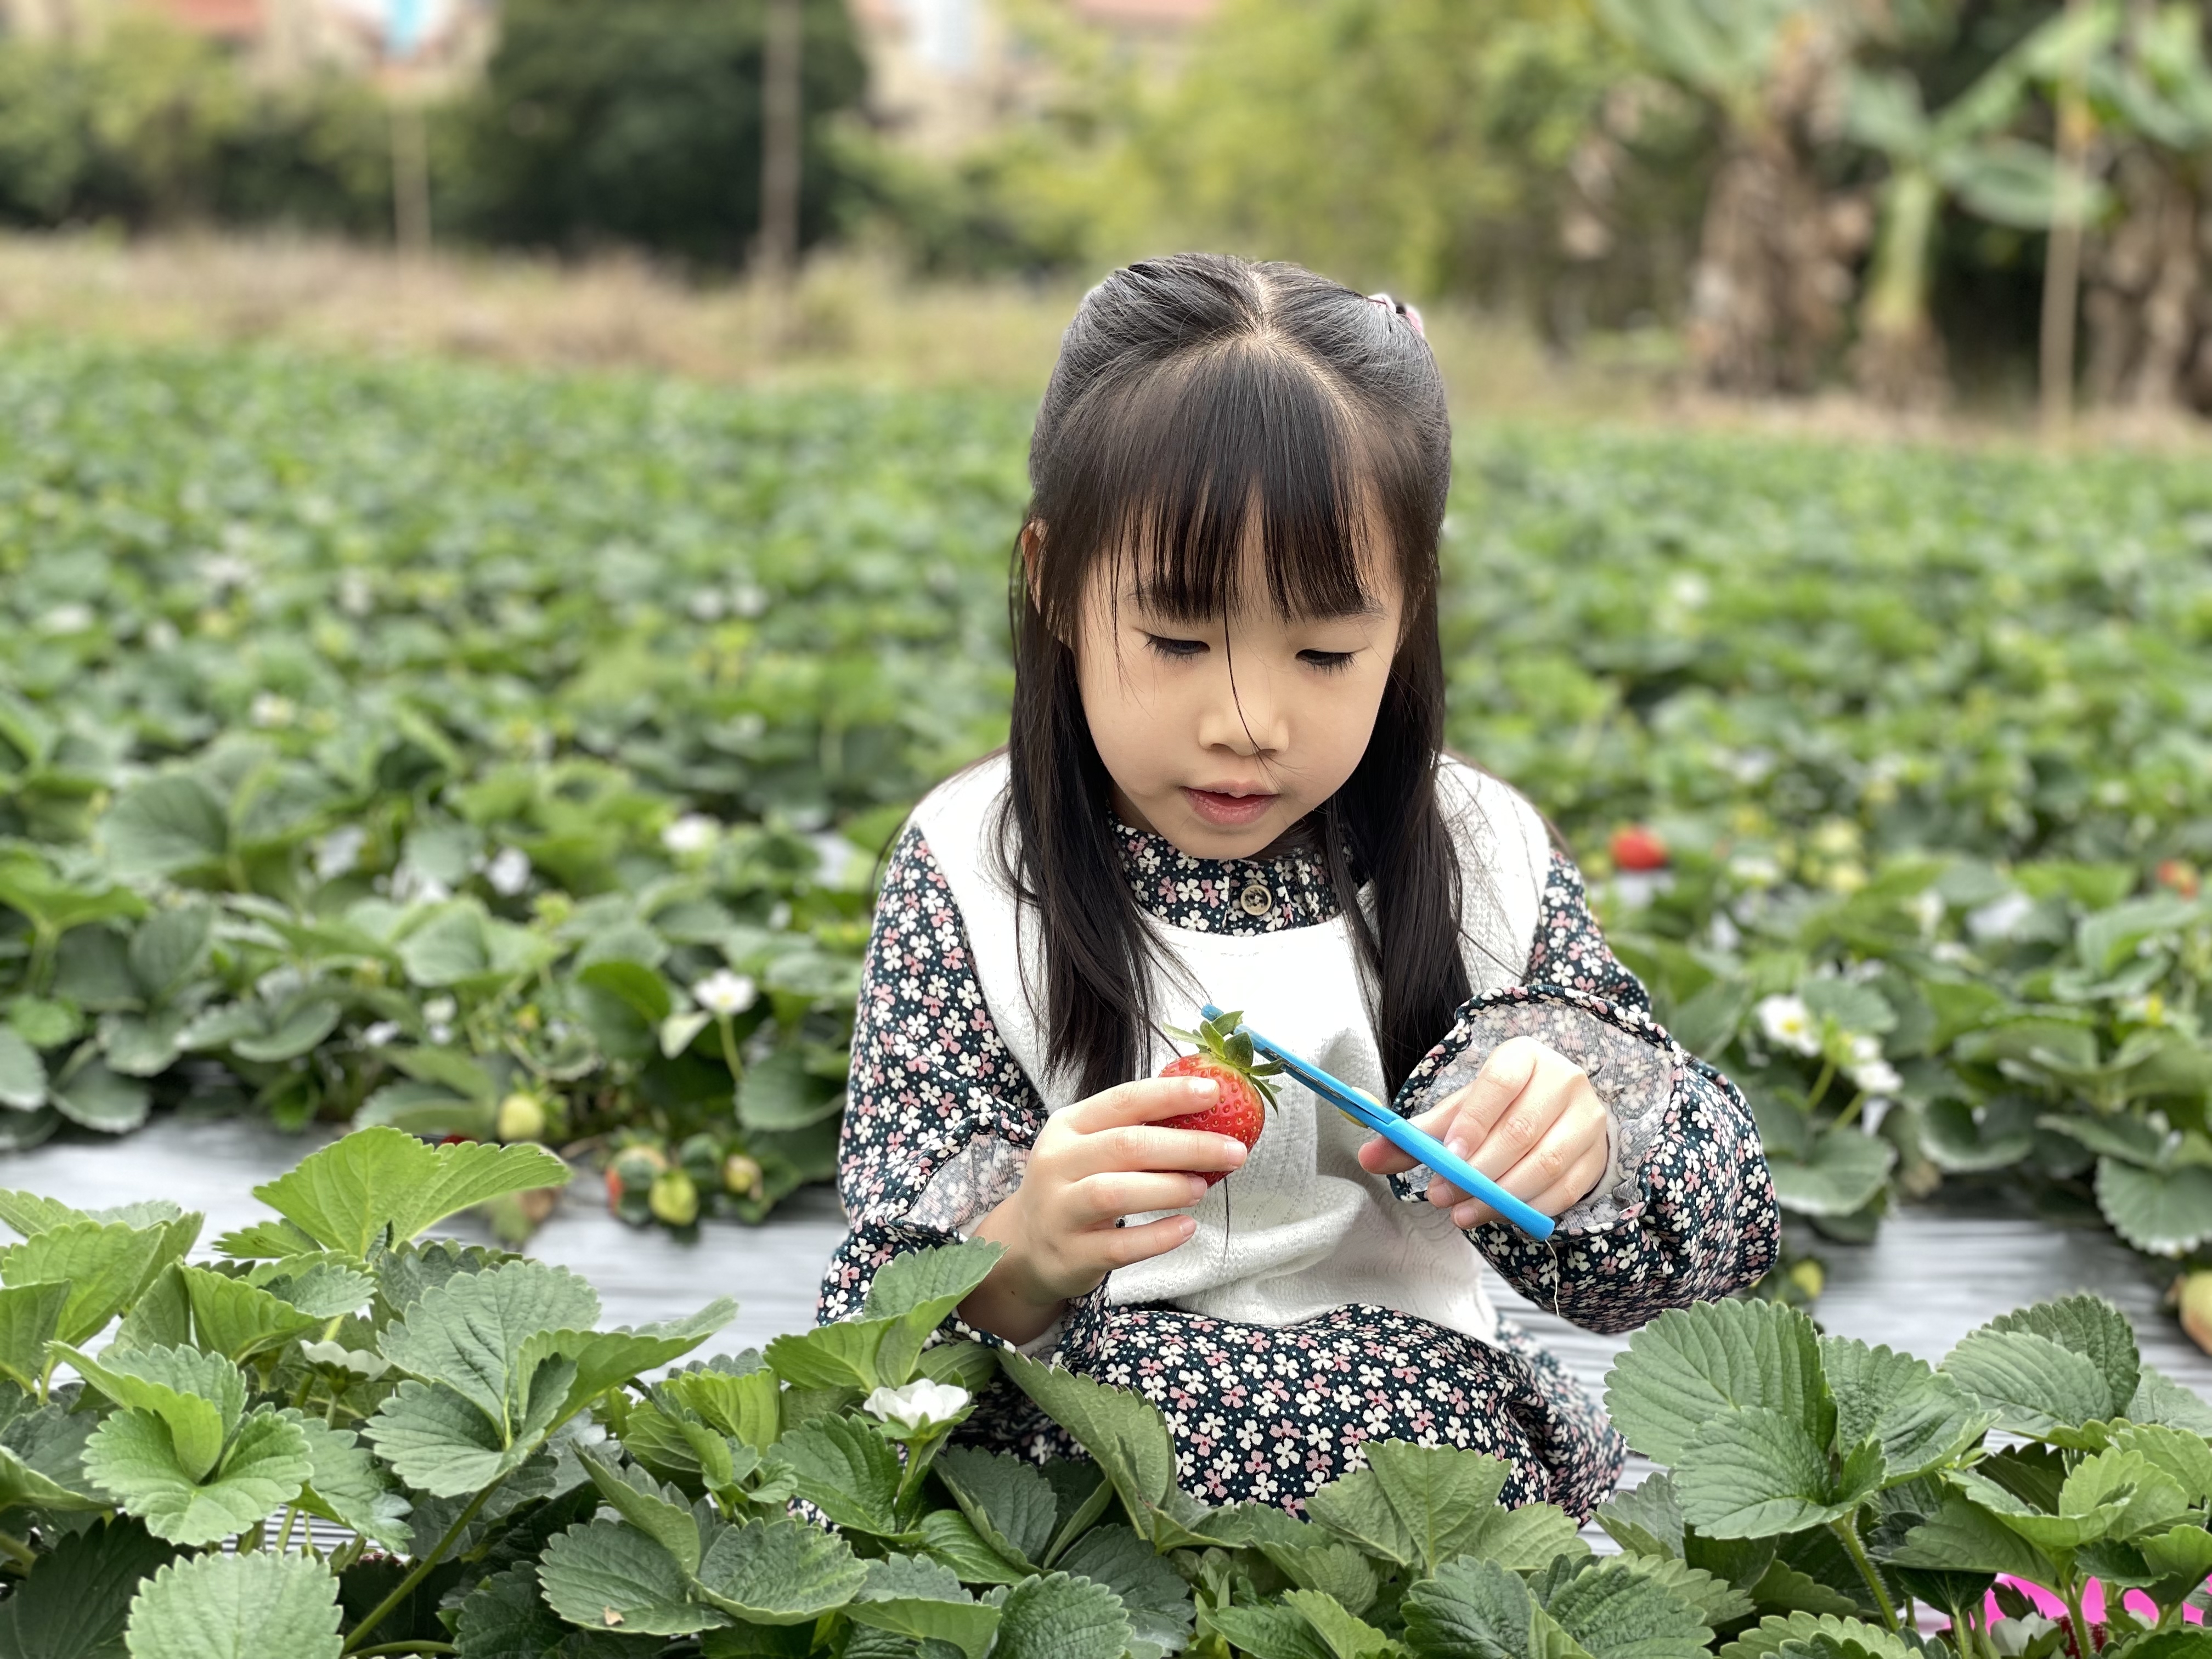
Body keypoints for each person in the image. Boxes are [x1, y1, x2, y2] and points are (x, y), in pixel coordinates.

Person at [817, 252, 1778, 1519]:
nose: (1246, 720)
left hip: (1435, 1471)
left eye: (1325, 651)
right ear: (1052, 581)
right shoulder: (976, 865)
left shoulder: (1481, 855)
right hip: (1086, 1488)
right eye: (1173, 638)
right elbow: (883, 1310)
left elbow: (1716, 1243)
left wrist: (1588, 1135)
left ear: (1408, 613)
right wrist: (1028, 1247)